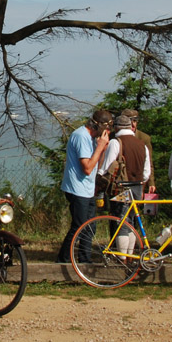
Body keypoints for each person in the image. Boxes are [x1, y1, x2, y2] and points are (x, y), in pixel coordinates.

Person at [55, 110, 112, 264]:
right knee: (79, 226)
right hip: (77, 188)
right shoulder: (81, 136)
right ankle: (63, 260)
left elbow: (95, 165)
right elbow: (87, 168)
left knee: (90, 226)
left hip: (88, 188)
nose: (108, 132)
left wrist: (103, 149)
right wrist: (100, 148)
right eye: (107, 128)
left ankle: (84, 260)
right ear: (98, 125)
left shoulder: (93, 138)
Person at [99, 113, 150, 255]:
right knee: (132, 221)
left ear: (116, 128)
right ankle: (131, 255)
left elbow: (107, 166)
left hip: (121, 188)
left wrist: (99, 180)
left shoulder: (117, 142)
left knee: (121, 222)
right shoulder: (142, 145)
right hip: (138, 187)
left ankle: (122, 257)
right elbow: (146, 173)